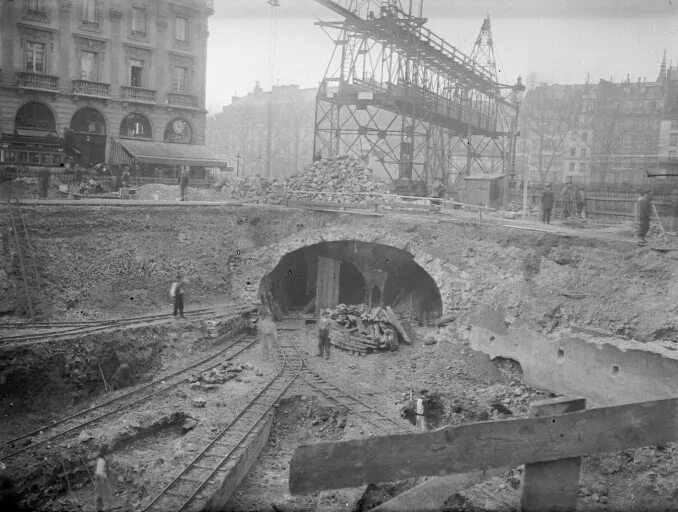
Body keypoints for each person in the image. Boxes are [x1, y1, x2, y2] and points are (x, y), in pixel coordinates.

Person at [94, 446, 115, 511]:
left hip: (102, 478)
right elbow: (98, 472)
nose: (108, 451)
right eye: (107, 450)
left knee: (101, 493)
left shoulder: (103, 458)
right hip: (101, 478)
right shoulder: (101, 459)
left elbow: (104, 468)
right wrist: (101, 480)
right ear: (105, 451)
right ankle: (105, 508)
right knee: (105, 493)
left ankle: (100, 508)